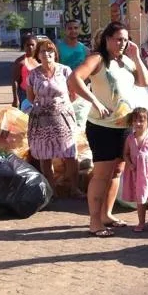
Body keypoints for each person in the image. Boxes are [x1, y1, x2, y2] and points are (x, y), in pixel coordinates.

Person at [74, 21, 148, 237]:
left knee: (117, 171)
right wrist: (95, 102)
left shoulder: (126, 61)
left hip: (123, 126)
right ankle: (94, 222)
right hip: (102, 127)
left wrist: (136, 56)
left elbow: (144, 81)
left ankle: (107, 214)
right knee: (101, 174)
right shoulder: (97, 59)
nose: (122, 43)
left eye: (125, 39)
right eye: (118, 39)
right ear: (107, 39)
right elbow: (75, 79)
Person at [26, 37, 110, 198]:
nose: (47, 54)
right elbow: (31, 98)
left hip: (63, 117)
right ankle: (52, 190)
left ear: (55, 53)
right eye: (43, 51)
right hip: (41, 120)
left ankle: (74, 188)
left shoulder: (64, 71)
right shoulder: (33, 74)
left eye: (50, 50)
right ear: (38, 54)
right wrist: (45, 106)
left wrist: (60, 105)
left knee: (70, 153)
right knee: (45, 156)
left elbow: (74, 94)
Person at [121, 107, 148, 232]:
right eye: (135, 121)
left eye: (141, 121)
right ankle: (141, 223)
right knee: (140, 200)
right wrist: (130, 164)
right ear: (132, 122)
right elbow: (125, 154)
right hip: (136, 175)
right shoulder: (130, 139)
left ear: (147, 123)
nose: (138, 124)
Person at [56, 19, 92, 128]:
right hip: (63, 92)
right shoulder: (57, 48)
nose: (73, 31)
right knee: (63, 123)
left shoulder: (85, 50)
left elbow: (89, 73)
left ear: (79, 30)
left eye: (76, 28)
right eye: (70, 28)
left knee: (81, 124)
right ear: (65, 30)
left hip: (81, 93)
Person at [11, 34, 38, 108]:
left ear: (36, 45)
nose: (30, 47)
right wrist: (16, 99)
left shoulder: (41, 60)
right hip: (24, 94)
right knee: (25, 118)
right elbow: (15, 81)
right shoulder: (20, 61)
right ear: (24, 46)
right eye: (28, 45)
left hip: (40, 94)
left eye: (32, 45)